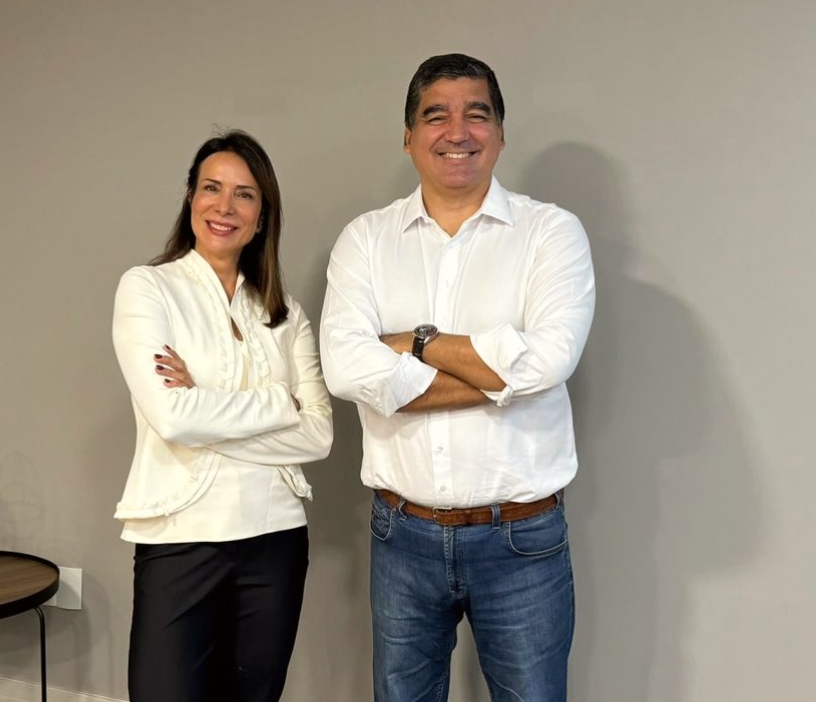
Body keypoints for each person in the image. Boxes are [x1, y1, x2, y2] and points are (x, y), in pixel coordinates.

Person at [319, 54, 595, 701]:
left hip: (522, 539)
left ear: (500, 132)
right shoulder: (366, 240)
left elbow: (551, 360)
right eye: (436, 115)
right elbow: (346, 368)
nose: (458, 131)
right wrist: (502, 375)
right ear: (409, 136)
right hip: (402, 537)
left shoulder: (550, 234)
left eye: (477, 114)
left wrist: (416, 343)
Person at [112, 129, 333, 702]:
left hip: (276, 538)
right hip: (179, 537)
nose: (225, 207)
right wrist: (278, 404)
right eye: (212, 188)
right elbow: (172, 418)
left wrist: (203, 408)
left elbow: (318, 435)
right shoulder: (148, 289)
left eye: (245, 194)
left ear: (262, 216)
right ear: (191, 197)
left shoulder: (286, 314)